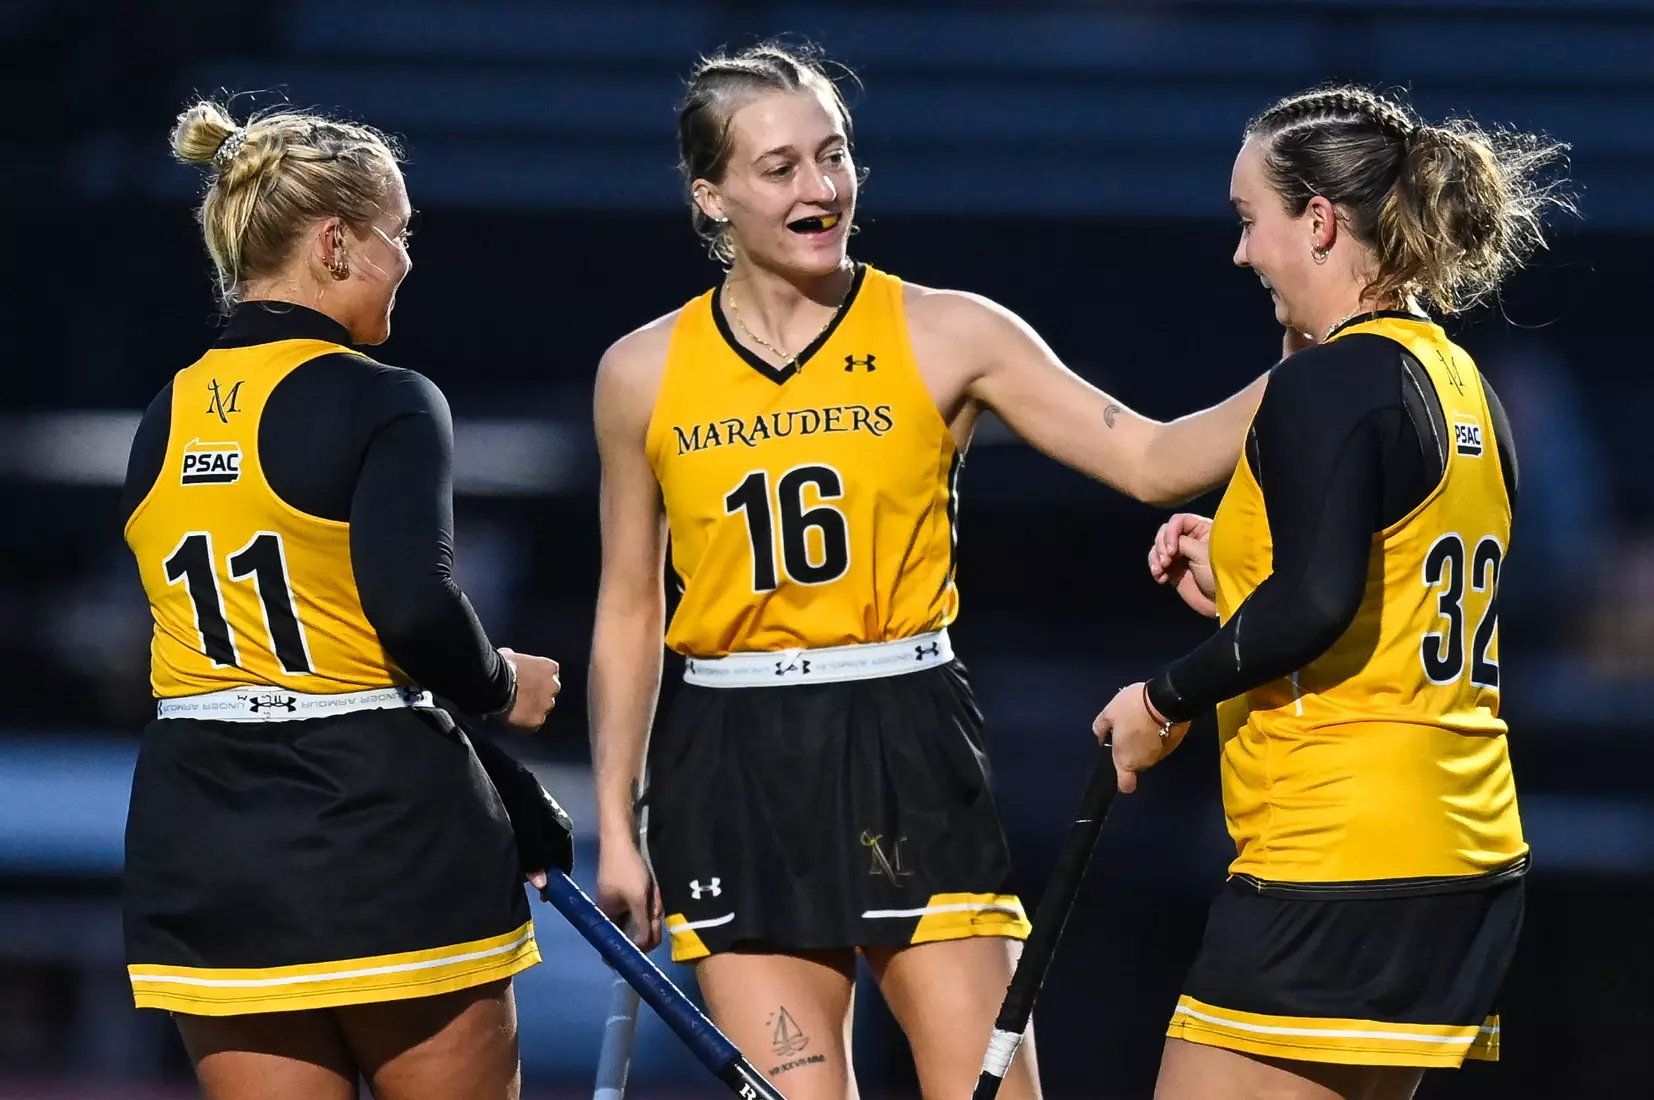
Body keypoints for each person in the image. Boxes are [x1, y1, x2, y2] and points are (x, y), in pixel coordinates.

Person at [588, 41, 1275, 1100]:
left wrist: (1318, 364)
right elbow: (631, 604)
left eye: (834, 154)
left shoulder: (949, 331)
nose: (821, 188)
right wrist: (619, 824)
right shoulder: (640, 370)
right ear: (710, 195)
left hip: (901, 739)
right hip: (729, 768)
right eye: (779, 168)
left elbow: (1147, 457)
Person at [1093, 86, 1571, 1100]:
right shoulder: (1462, 381)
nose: (1239, 251)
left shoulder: (1326, 381)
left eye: (1247, 219)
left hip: (1339, 855)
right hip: (1466, 853)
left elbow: (1312, 605)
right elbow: (1377, 594)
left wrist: (1160, 700)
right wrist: (1237, 585)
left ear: (1316, 221)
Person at [120, 100, 567, 1100]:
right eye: (397, 235)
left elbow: (299, 648)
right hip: (379, 828)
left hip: (203, 829)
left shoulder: (163, 412)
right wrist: (497, 687)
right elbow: (409, 609)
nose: (406, 261)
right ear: (334, 243)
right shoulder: (384, 395)